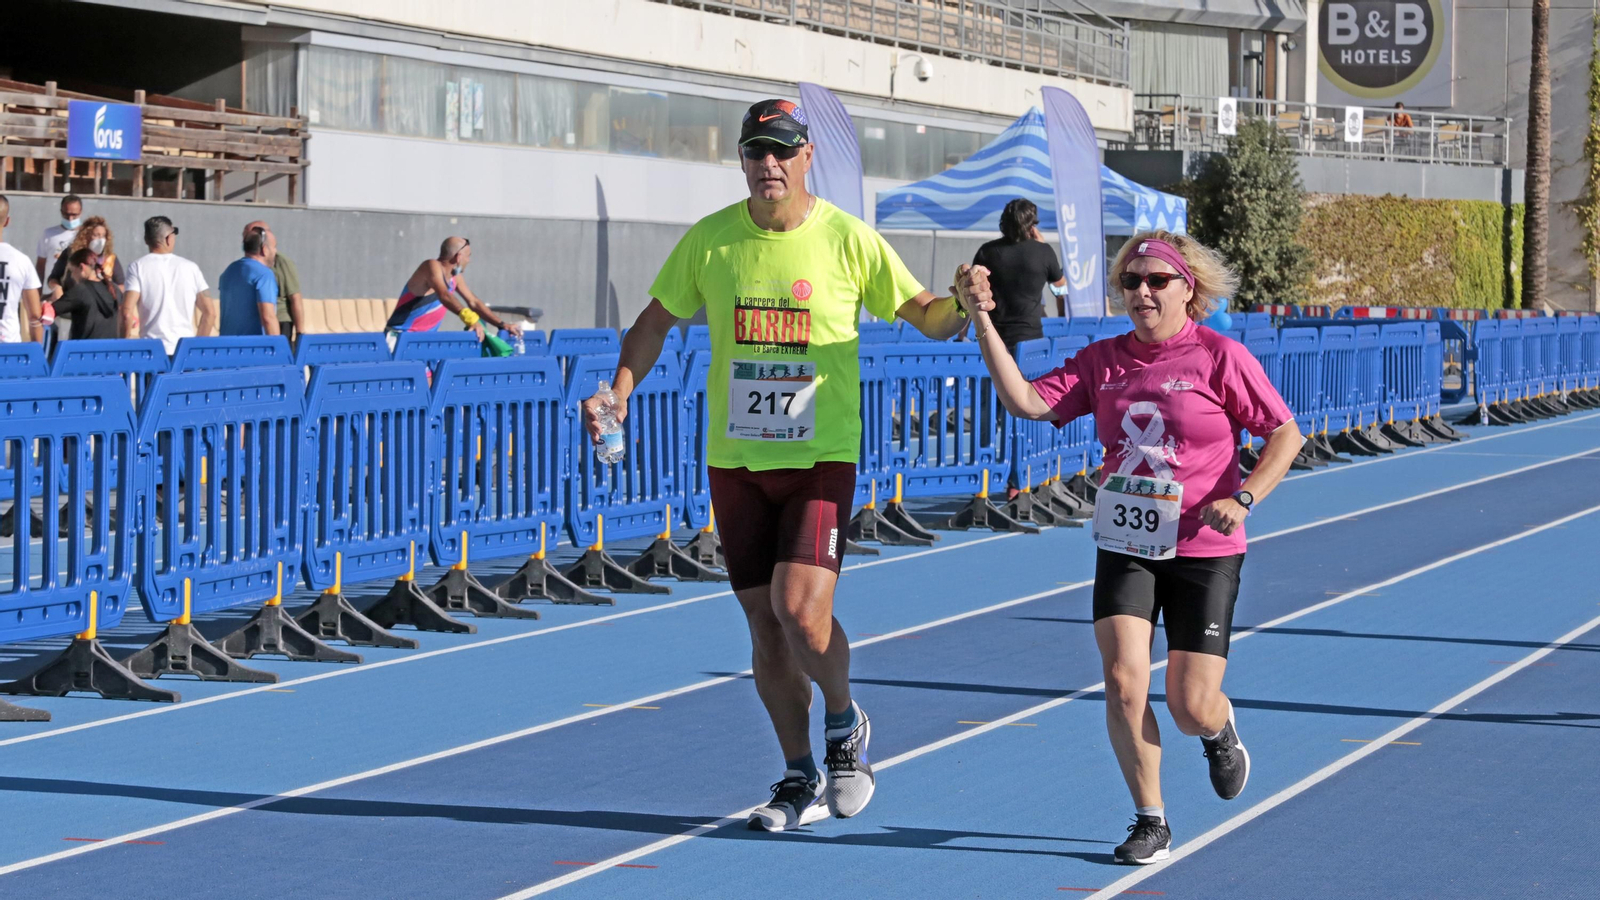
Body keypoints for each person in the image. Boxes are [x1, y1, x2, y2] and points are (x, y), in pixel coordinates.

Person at [583, 98, 985, 833]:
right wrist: (619, 390)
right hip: (735, 462)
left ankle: (844, 725)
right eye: (754, 152)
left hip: (820, 460)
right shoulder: (711, 242)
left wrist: (961, 305)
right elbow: (653, 323)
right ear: (742, 161)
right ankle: (797, 774)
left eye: (781, 151)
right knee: (765, 631)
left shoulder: (846, 238)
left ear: (806, 159)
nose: (768, 164)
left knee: (801, 612)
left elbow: (925, 313)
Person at [959, 230, 1305, 864]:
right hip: (1127, 540)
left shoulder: (1219, 357)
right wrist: (983, 320)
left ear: (1187, 288)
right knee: (1123, 682)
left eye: (1157, 281)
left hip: (1203, 544)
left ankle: (1218, 729)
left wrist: (1246, 497)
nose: (1142, 292)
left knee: (1188, 705)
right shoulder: (1104, 360)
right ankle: (1151, 818)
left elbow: (1285, 435)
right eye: (1131, 282)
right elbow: (1028, 400)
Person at [972, 198, 1067, 354]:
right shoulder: (1044, 252)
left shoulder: (987, 252)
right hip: (1031, 340)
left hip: (994, 339)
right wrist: (1041, 246)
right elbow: (1061, 290)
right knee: (1030, 379)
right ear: (1032, 225)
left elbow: (974, 294)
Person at [387, 237, 521, 339]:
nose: (469, 261)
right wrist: (470, 319)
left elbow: (473, 302)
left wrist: (502, 324)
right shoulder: (431, 266)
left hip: (424, 340)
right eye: (469, 256)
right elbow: (444, 295)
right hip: (399, 337)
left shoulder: (455, 277)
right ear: (459, 257)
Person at [122, 216, 217, 353]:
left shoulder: (137, 267)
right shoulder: (191, 268)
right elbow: (210, 313)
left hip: (150, 352)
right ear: (168, 238)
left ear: (146, 239)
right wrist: (195, 348)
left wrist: (124, 346)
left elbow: (126, 313)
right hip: (183, 353)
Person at [244, 219, 304, 340]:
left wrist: (300, 333)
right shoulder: (246, 265)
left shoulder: (282, 262)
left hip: (279, 320)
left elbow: (295, 298)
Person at [217, 227, 280, 337]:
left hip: (227, 346)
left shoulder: (229, 271)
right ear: (264, 249)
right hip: (252, 349)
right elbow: (268, 318)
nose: (275, 251)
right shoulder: (264, 275)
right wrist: (279, 349)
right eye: (274, 247)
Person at [45, 216, 124, 302]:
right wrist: (56, 288)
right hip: (71, 305)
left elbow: (121, 285)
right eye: (96, 235)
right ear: (85, 236)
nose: (101, 240)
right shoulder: (71, 254)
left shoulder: (111, 259)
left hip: (99, 308)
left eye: (103, 236)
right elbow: (53, 278)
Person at [0, 195, 44, 343]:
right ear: (7, 221)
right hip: (8, 348)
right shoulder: (21, 260)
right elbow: (34, 316)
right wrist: (37, 354)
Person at [52, 248, 120, 341]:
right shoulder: (114, 289)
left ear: (81, 267)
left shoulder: (80, 291)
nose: (71, 276)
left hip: (83, 351)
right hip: (111, 351)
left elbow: (52, 310)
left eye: (71, 271)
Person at [35, 194, 82, 284]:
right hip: (52, 290)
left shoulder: (86, 235)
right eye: (66, 214)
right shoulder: (49, 234)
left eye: (74, 215)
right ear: (61, 212)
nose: (70, 219)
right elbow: (40, 265)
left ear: (80, 212)